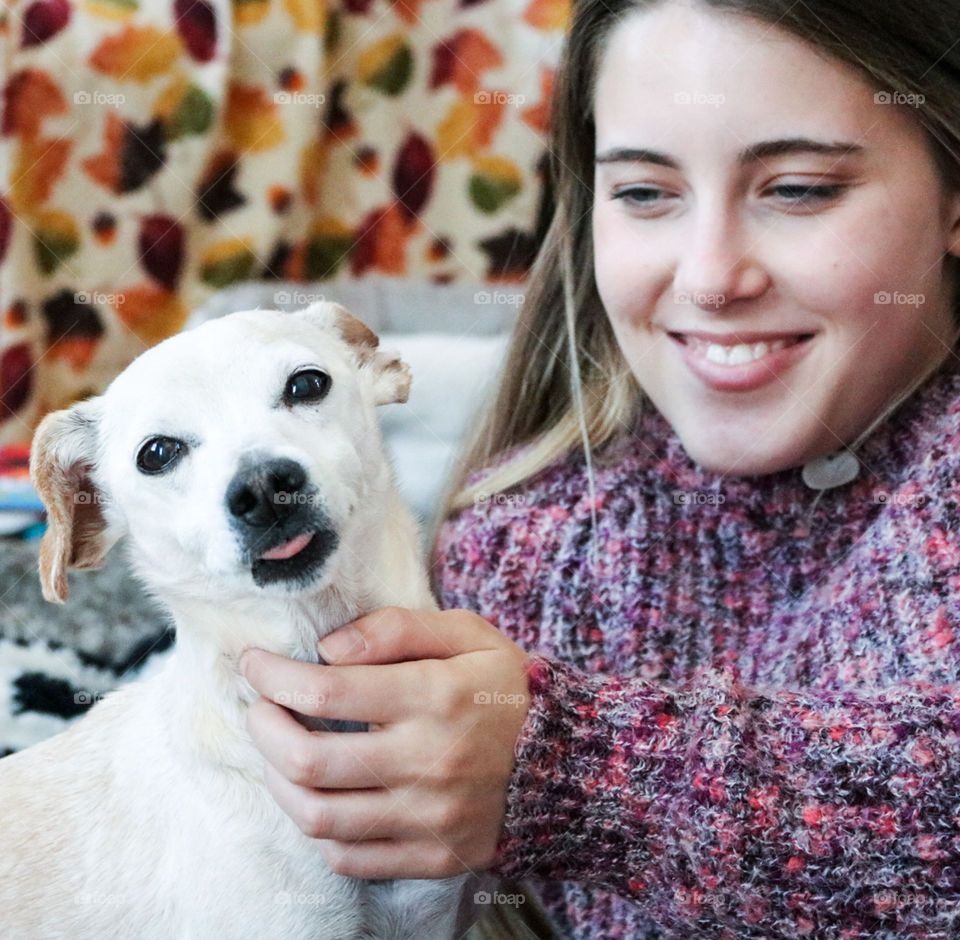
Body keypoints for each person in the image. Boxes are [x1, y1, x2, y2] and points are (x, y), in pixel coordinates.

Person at [239, 0, 960, 935]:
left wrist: (578, 775)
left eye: (799, 189)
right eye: (646, 193)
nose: (709, 277)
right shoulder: (534, 543)